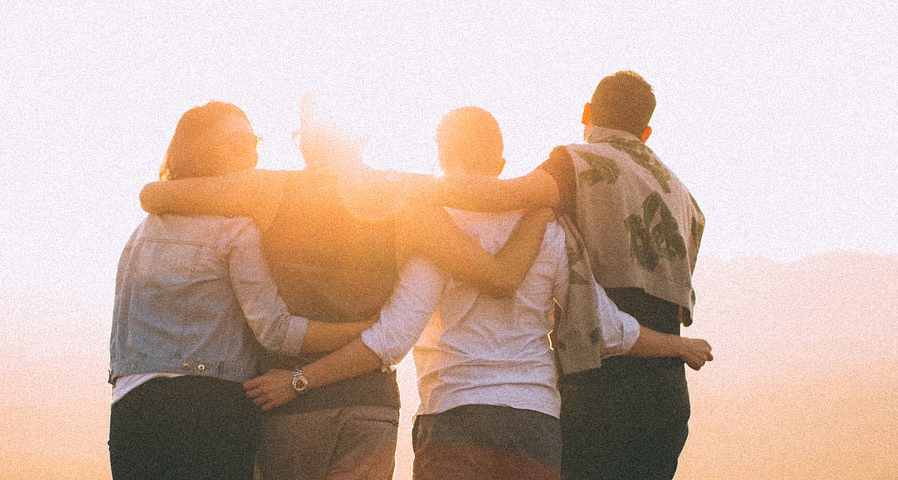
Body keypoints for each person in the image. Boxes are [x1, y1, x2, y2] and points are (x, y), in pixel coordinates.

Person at [243, 106, 713, 480]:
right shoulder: (549, 228)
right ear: (502, 162)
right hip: (534, 422)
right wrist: (680, 345)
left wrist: (300, 380)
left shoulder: (436, 229)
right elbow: (606, 328)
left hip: (454, 419)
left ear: (441, 157)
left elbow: (392, 338)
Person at [138, 94, 550, 480]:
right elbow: (500, 278)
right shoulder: (410, 207)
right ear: (363, 135)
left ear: (305, 141)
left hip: (287, 407)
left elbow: (156, 195)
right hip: (369, 408)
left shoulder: (267, 189)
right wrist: (539, 205)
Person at [412, 72, 707, 480]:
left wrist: (402, 188)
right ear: (647, 131)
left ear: (587, 112)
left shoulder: (580, 164)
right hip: (665, 395)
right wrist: (678, 346)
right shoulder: (683, 196)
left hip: (598, 392)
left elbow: (501, 195)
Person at [107, 102, 375, 480]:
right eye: (236, 143)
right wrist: (365, 330)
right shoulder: (235, 229)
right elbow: (275, 331)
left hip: (131, 409)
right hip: (211, 410)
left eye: (253, 140)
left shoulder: (142, 232)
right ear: (201, 151)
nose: (251, 152)